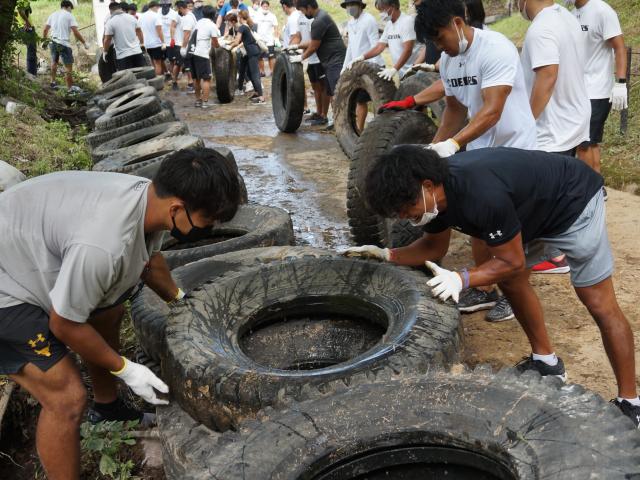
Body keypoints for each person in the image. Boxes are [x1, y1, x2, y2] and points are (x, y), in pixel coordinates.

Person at [344, 144, 640, 428]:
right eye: (398, 213)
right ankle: (546, 362)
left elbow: (511, 261)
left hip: (572, 201)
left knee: (598, 302)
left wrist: (462, 279)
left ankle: (631, 403)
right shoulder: (433, 201)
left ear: (428, 184)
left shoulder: (480, 193)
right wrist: (387, 255)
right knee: (510, 281)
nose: (406, 216)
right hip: (527, 209)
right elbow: (434, 247)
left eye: (408, 207)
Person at [0, 148, 243, 479]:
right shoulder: (104, 244)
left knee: (108, 310)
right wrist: (126, 369)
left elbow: (150, 261)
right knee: (67, 397)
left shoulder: (147, 198)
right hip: (5, 290)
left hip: (21, 241)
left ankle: (108, 409)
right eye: (207, 221)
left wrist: (183, 303)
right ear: (177, 208)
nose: (209, 227)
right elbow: (65, 324)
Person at [380, 0, 537, 323]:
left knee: (511, 229)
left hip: (515, 149)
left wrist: (454, 144)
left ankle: (513, 290)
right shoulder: (450, 63)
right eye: (433, 43)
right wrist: (432, 150)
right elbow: (454, 110)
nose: (440, 47)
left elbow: (492, 110)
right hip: (480, 150)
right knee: (477, 223)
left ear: (456, 23)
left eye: (440, 38)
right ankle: (485, 288)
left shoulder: (496, 49)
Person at [518, 0, 591, 276]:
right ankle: (557, 251)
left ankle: (554, 255)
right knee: (555, 192)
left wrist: (526, 124)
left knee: (536, 198)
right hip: (571, 117)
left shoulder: (541, 29)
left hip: (551, 127)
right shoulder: (566, 17)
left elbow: (547, 78)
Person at [568, 0, 627, 193]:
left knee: (583, 142)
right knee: (589, 142)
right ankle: (597, 187)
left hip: (597, 89)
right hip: (579, 88)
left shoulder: (601, 11)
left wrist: (620, 82)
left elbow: (619, 46)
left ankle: (590, 190)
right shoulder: (572, 12)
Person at [292, 0, 346, 127]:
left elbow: (313, 47)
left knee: (335, 91)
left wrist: (301, 57)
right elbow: (313, 42)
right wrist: (295, 46)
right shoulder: (321, 16)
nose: (303, 13)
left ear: (309, 7)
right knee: (331, 90)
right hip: (329, 60)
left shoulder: (319, 20)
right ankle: (337, 120)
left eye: (303, 10)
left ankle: (340, 122)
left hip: (335, 60)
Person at [346, 0, 419, 82]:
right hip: (401, 72)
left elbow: (408, 50)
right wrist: (362, 57)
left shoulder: (406, 22)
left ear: (393, 6)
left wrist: (394, 69)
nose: (381, 13)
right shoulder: (389, 25)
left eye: (382, 9)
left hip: (414, 72)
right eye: (379, 10)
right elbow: (379, 47)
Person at [340, 0, 384, 133]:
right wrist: (345, 66)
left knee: (379, 100)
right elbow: (351, 48)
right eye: (347, 6)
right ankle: (359, 129)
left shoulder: (369, 20)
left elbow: (375, 45)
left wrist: (373, 69)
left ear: (360, 6)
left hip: (372, 65)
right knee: (360, 100)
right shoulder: (350, 22)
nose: (350, 8)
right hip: (357, 67)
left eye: (352, 5)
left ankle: (380, 130)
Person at [288, 2, 328, 124]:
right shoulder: (300, 17)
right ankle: (318, 112)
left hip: (319, 57)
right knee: (315, 87)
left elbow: (313, 42)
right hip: (310, 59)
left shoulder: (313, 19)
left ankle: (324, 115)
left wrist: (297, 47)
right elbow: (299, 35)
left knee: (324, 87)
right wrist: (290, 46)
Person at [43, 0, 89, 90]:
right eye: (71, 8)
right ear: (68, 6)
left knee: (54, 62)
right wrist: (84, 43)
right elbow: (75, 31)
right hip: (64, 43)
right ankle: (70, 87)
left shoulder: (53, 14)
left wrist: (45, 41)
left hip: (53, 42)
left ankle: (52, 82)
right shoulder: (69, 15)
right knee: (68, 66)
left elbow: (45, 29)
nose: (71, 10)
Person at [228, 11, 266, 104]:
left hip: (252, 52)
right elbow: (237, 40)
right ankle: (257, 93)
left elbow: (237, 41)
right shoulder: (246, 26)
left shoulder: (242, 27)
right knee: (249, 72)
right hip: (252, 51)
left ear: (240, 17)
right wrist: (229, 43)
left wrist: (228, 47)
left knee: (255, 74)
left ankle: (261, 98)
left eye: (238, 17)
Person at [191, 5, 221, 108]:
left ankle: (198, 100)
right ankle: (205, 102)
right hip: (202, 54)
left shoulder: (198, 22)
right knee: (206, 78)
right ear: (213, 15)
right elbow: (215, 42)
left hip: (192, 52)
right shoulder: (211, 25)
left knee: (196, 78)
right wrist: (217, 46)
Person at [103, 2, 146, 71]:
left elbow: (107, 39)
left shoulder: (110, 22)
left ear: (110, 11)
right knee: (142, 76)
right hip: (137, 52)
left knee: (128, 80)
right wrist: (142, 44)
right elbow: (139, 31)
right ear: (120, 8)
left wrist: (105, 52)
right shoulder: (132, 18)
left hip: (123, 57)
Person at [138, 0, 166, 75]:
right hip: (156, 43)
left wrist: (142, 42)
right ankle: (158, 81)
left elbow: (139, 30)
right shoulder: (156, 16)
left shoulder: (142, 16)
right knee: (158, 63)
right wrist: (163, 42)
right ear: (155, 7)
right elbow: (159, 30)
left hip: (147, 44)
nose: (158, 10)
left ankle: (155, 80)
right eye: (158, 8)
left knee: (153, 63)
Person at [177, 0, 198, 93]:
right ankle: (194, 84)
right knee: (191, 65)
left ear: (181, 8)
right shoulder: (191, 15)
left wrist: (183, 47)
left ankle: (191, 85)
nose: (179, 12)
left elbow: (187, 34)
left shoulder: (187, 18)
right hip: (193, 44)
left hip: (189, 44)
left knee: (188, 65)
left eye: (178, 9)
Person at [255, 0, 279, 76]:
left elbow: (276, 28)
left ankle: (273, 71)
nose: (265, 7)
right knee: (259, 57)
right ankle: (262, 71)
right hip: (260, 40)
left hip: (270, 40)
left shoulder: (272, 16)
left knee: (271, 56)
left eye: (266, 6)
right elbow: (254, 27)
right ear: (261, 6)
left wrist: (276, 38)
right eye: (264, 6)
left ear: (268, 6)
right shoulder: (257, 15)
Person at [160, 0, 180, 82]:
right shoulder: (157, 13)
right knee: (160, 59)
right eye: (163, 5)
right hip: (160, 41)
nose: (165, 6)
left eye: (167, 5)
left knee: (172, 60)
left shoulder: (174, 14)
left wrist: (173, 39)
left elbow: (175, 27)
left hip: (170, 41)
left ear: (169, 5)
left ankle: (172, 76)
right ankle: (166, 73)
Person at [18, 4, 38, 76]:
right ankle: (32, 74)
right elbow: (21, 11)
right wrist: (27, 22)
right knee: (31, 51)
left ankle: (32, 73)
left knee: (31, 50)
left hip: (23, 27)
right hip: (27, 28)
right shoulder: (22, 1)